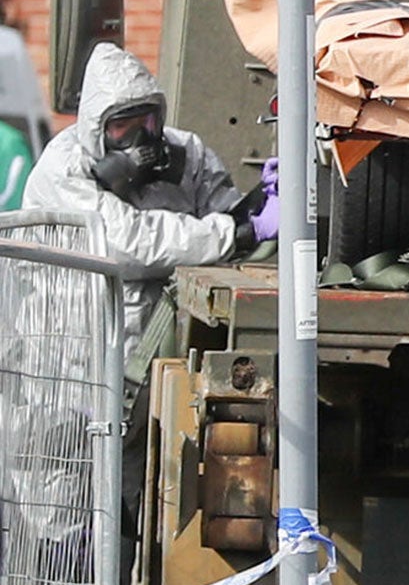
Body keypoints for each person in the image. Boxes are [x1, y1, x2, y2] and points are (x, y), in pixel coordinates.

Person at [24, 43, 277, 359]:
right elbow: (126, 242)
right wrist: (234, 232)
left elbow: (224, 218)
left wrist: (258, 201)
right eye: (122, 128)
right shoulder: (64, 168)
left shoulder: (186, 152)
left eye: (148, 123)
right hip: (74, 361)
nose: (141, 140)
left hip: (152, 354)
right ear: (96, 129)